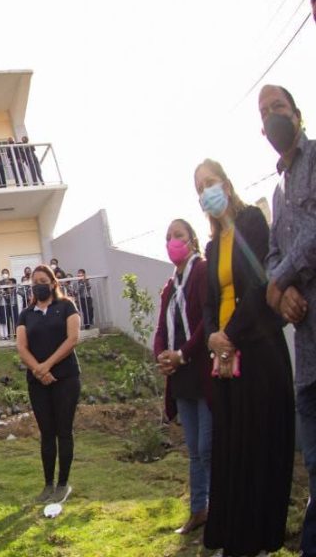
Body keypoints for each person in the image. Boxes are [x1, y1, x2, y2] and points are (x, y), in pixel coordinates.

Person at [195, 158, 294, 556]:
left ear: (227, 184)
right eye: (199, 186)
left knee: (259, 445)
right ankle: (230, 537)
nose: (206, 191)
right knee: (229, 447)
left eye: (210, 181)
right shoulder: (212, 243)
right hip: (224, 360)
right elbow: (208, 302)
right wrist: (214, 340)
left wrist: (229, 335)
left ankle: (260, 538)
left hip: (257, 350)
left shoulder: (251, 222)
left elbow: (258, 283)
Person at [259, 84, 316, 555]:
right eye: (265, 113)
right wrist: (282, 295)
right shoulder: (277, 191)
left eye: (278, 107)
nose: (273, 116)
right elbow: (274, 253)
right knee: (315, 463)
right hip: (307, 351)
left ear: (297, 114)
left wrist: (280, 282)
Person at [152, 219, 211, 535]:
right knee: (194, 447)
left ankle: (219, 509)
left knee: (208, 445)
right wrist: (161, 355)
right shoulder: (170, 285)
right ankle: (198, 510)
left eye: (178, 235)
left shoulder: (201, 272)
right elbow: (162, 327)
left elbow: (206, 319)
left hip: (202, 371)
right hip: (181, 378)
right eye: (168, 237)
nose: (172, 241)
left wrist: (183, 353)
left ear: (192, 240)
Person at [16, 265, 82, 505]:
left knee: (64, 431)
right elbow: (22, 347)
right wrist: (38, 369)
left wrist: (48, 365)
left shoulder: (66, 306)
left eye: (43, 281)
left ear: (53, 283)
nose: (38, 285)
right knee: (47, 433)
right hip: (38, 382)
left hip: (65, 378)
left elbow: (72, 338)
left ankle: (63, 483)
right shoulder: (26, 314)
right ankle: (48, 484)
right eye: (34, 282)